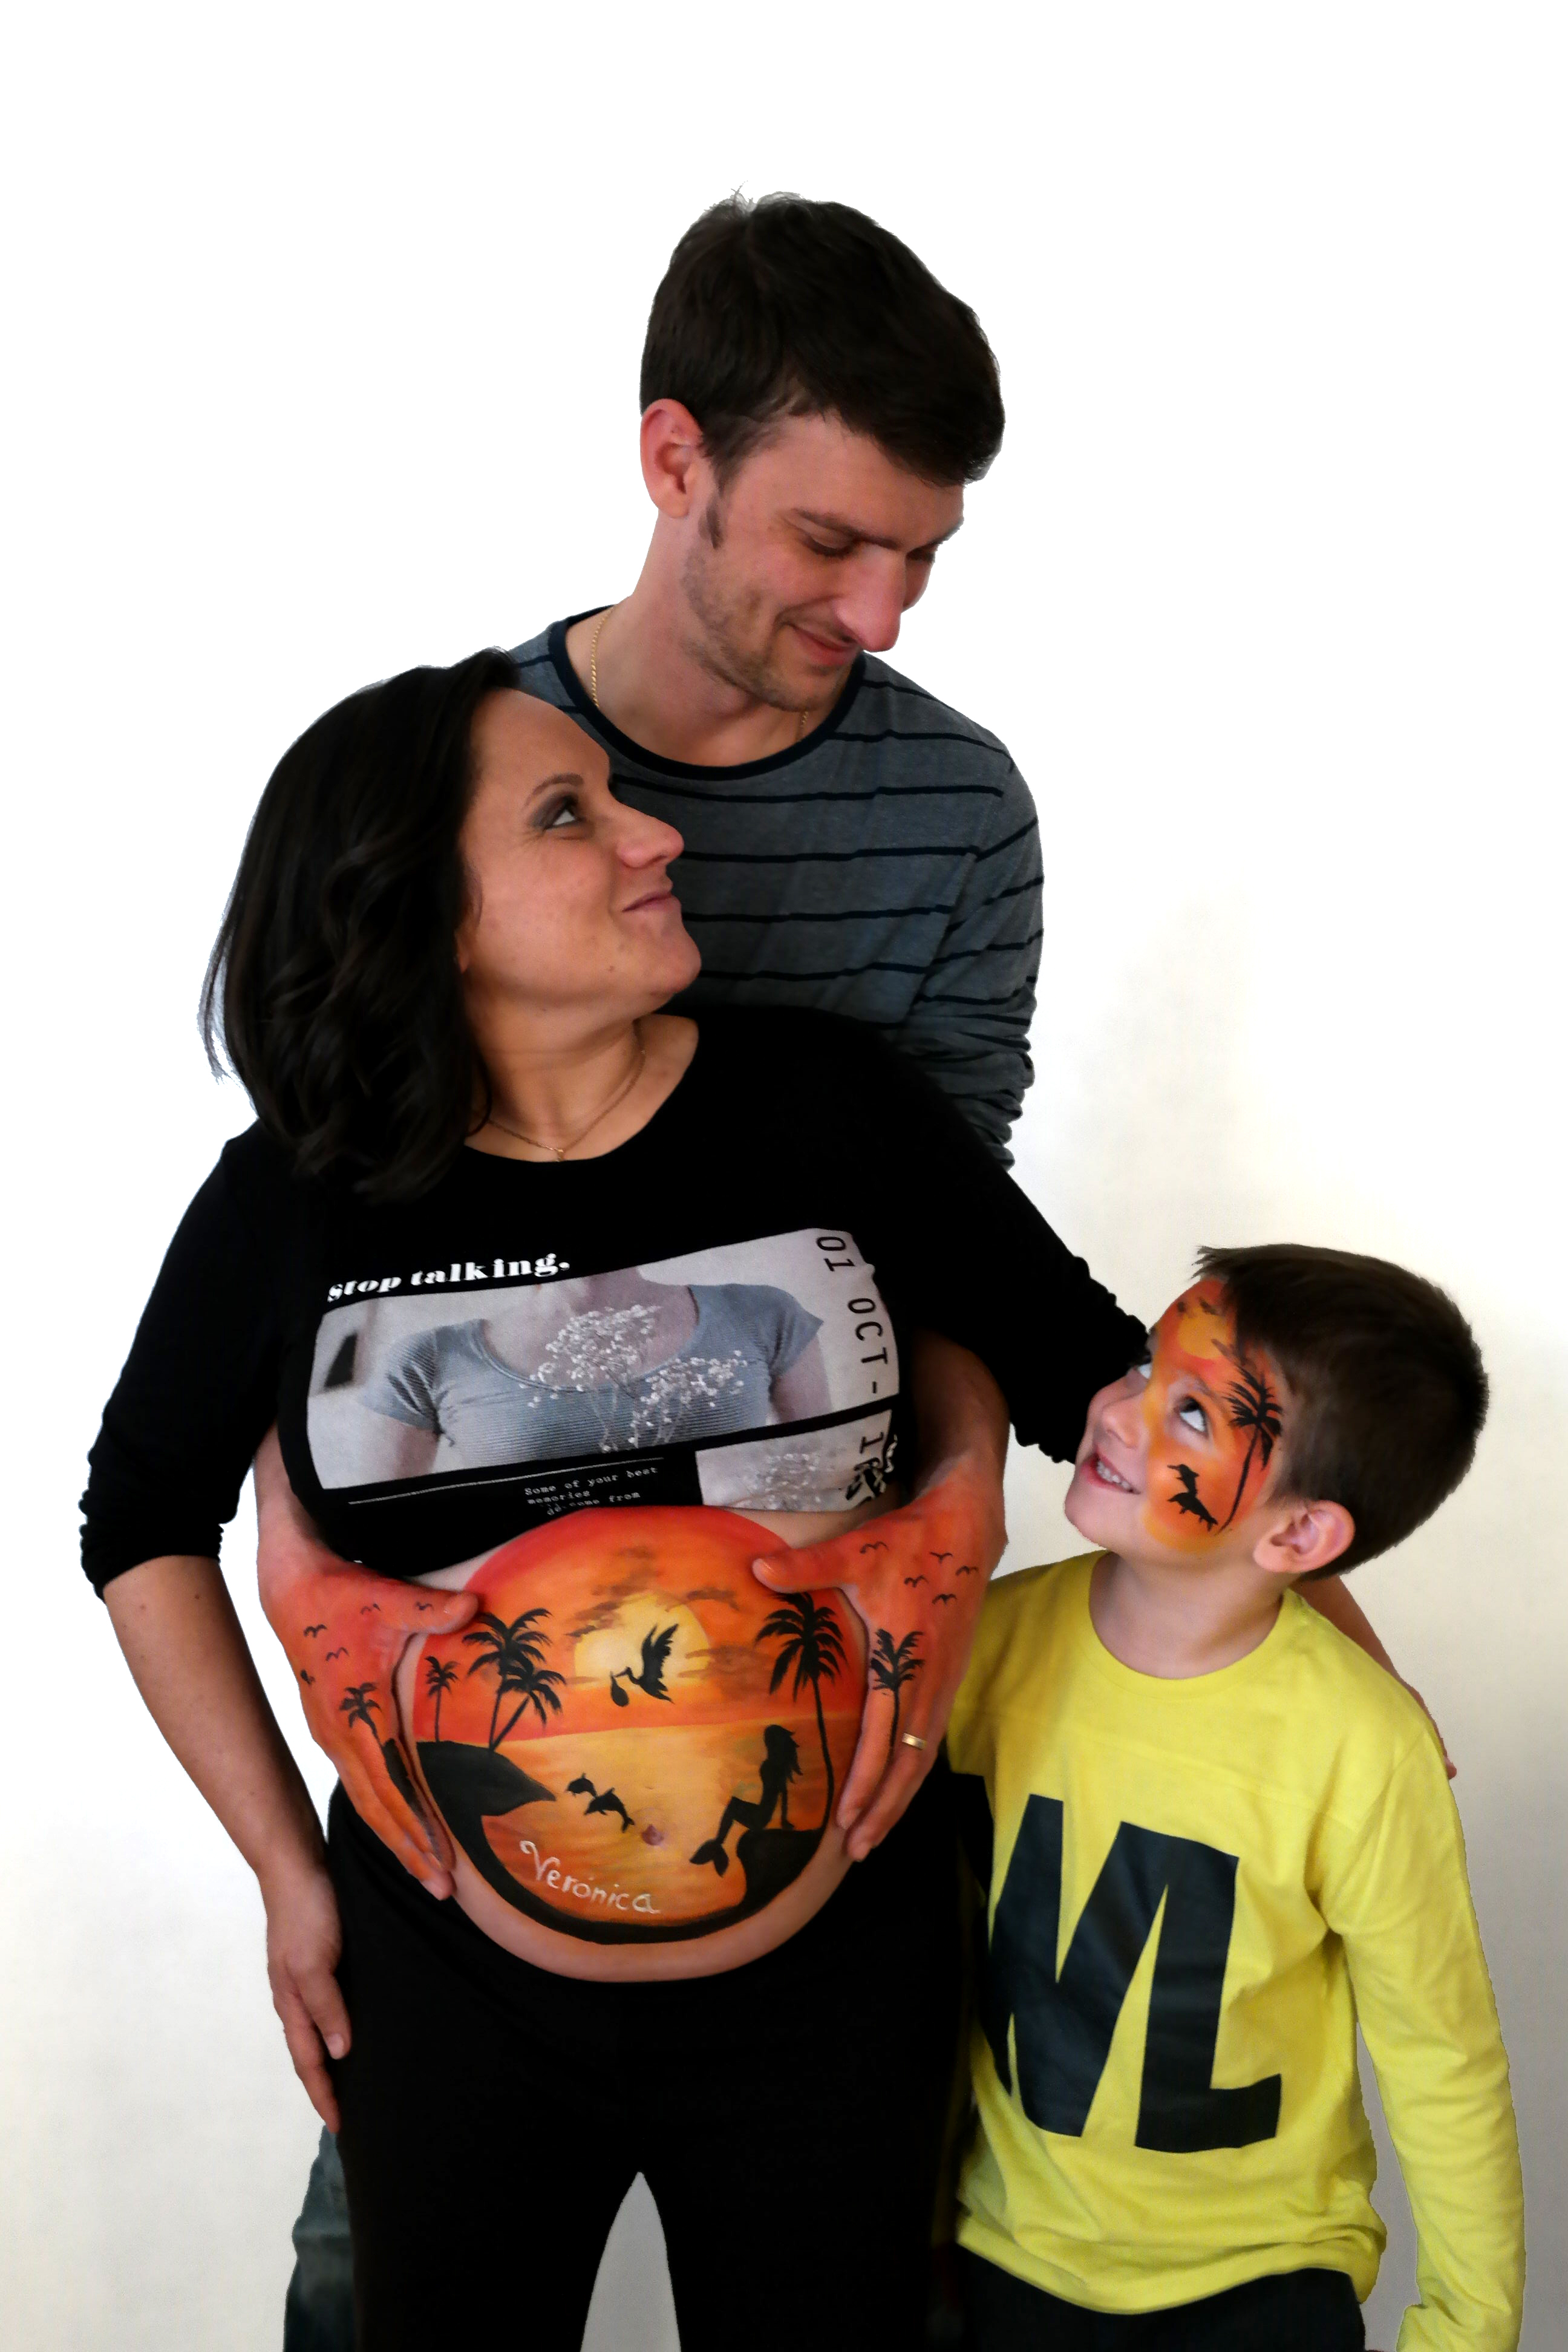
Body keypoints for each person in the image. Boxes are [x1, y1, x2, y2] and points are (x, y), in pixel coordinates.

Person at [253, 192, 1408, 2345]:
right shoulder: (472, 773)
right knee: (381, 2280)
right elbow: (331, 1207)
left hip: (823, 1716)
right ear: (671, 457)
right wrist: (298, 1565)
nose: (878, 610)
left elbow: (959, 1241)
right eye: (828, 541)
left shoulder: (955, 809)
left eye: (924, 557)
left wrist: (1100, 1531)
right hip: (483, 1759)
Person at [83, 656, 1152, 2349]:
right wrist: (288, 1873)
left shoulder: (829, 1106)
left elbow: (1094, 1378)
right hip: (446, 1986)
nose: (657, 837)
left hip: (840, 1980)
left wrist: (1005, 1506)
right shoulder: (294, 1195)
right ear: (428, 914)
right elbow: (140, 1518)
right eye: (568, 815)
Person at [946, 1248, 1524, 2351]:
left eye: (1192, 1414)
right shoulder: (981, 1645)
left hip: (1263, 2290)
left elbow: (1441, 2061)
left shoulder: (1364, 1748)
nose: (1115, 1410)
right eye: (1142, 1364)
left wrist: (1465, 2331)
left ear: (1299, 1536)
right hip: (1001, 2265)